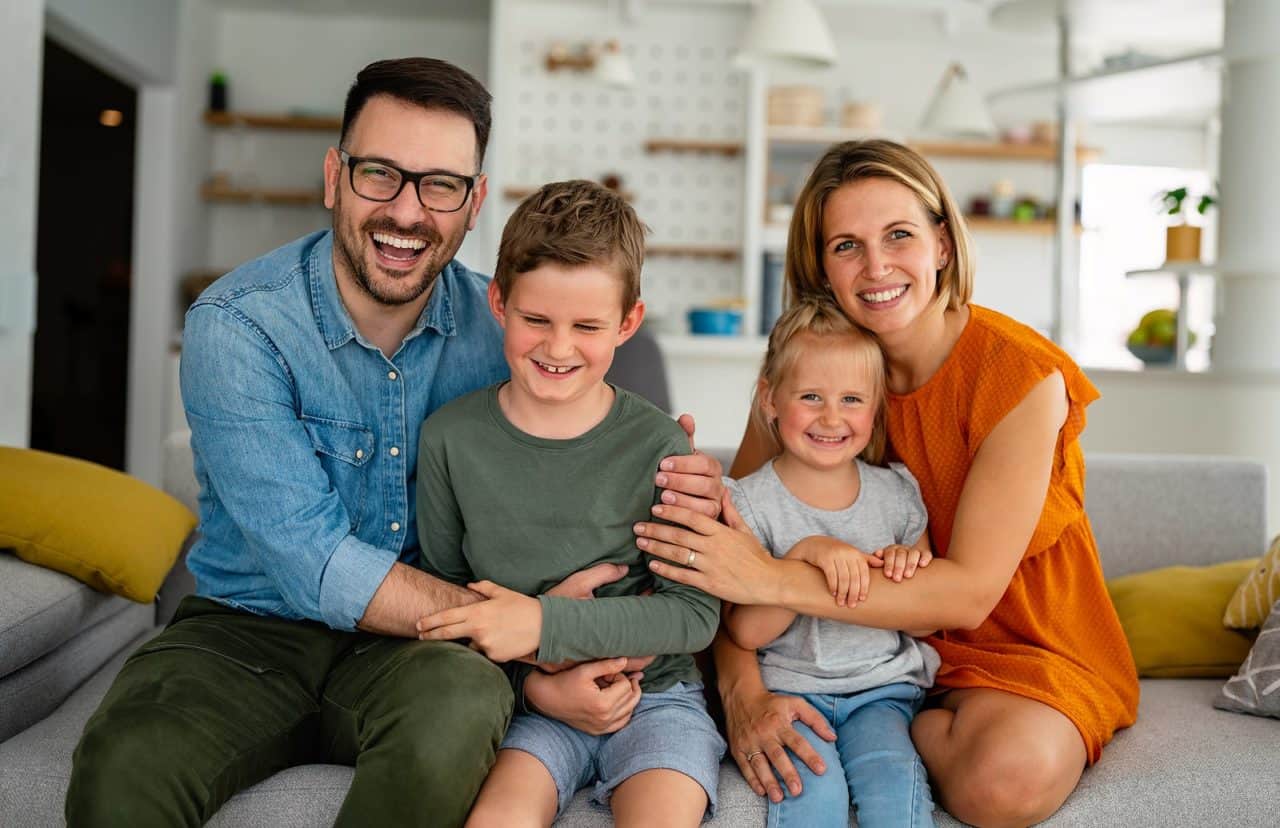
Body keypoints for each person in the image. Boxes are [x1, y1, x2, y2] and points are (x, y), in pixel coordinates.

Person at [65, 58, 723, 828]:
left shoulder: (506, 333)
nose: (408, 212)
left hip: (421, 658)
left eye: (441, 184)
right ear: (333, 177)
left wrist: (684, 477)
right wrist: (531, 631)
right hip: (248, 631)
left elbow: (605, 441)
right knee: (124, 764)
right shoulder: (239, 325)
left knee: (452, 715)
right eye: (380, 173)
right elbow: (309, 558)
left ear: (474, 202)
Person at [632, 139, 1140, 827]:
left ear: (941, 244)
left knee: (1006, 785)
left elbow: (963, 594)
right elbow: (740, 546)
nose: (876, 267)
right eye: (846, 245)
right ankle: (878, 721)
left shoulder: (1019, 376)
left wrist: (774, 581)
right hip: (835, 654)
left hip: (1017, 649)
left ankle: (896, 729)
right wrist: (742, 689)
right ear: (821, 269)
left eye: (898, 235)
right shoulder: (810, 371)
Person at [413, 180, 726, 828]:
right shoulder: (450, 438)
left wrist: (544, 626)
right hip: (537, 707)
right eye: (536, 320)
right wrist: (536, 682)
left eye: (587, 326)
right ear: (499, 302)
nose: (558, 349)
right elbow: (448, 598)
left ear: (628, 322)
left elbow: (692, 617)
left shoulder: (659, 444)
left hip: (659, 699)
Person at [723, 295, 938, 828]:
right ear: (770, 399)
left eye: (851, 399)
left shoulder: (897, 494)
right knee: (808, 795)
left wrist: (904, 567)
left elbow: (929, 615)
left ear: (876, 406)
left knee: (894, 786)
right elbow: (745, 631)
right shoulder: (746, 502)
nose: (831, 417)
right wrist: (802, 558)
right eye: (812, 396)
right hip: (788, 695)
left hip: (881, 694)